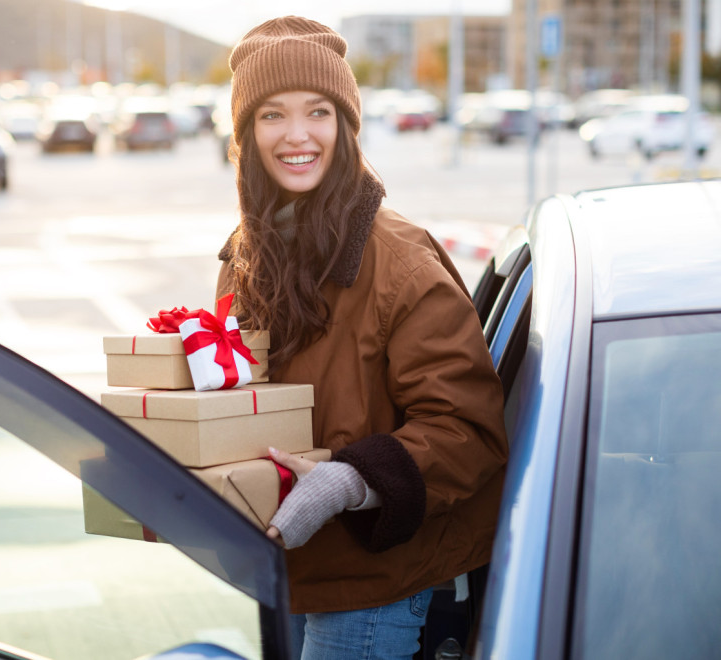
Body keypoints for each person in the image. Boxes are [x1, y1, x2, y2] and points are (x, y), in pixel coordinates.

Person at [216, 16, 509, 660]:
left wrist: (349, 481)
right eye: (272, 115)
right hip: (287, 568)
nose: (297, 135)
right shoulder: (245, 258)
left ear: (345, 127)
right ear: (246, 134)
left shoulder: (401, 263)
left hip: (379, 582)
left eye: (318, 112)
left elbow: (469, 429)